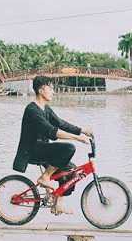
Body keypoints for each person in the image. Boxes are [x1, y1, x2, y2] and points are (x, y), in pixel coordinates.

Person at [12, 76, 92, 215]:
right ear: (41, 90)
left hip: (43, 149)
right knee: (68, 148)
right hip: (32, 151)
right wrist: (77, 138)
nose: (53, 91)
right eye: (51, 88)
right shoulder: (32, 110)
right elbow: (51, 131)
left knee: (71, 171)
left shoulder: (45, 109)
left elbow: (60, 123)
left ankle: (58, 204)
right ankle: (45, 177)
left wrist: (82, 130)